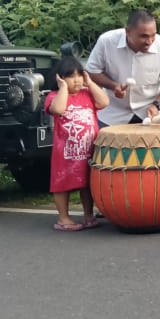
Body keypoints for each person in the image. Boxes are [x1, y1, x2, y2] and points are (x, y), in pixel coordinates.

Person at [86, 10, 160, 127]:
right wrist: (114, 86)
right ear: (128, 31)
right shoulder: (106, 41)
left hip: (150, 113)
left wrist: (156, 103)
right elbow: (92, 71)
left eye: (153, 35)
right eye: (144, 36)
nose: (149, 41)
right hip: (112, 113)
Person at [44, 56, 110, 231]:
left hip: (88, 150)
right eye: (71, 76)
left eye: (79, 75)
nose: (76, 80)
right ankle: (63, 218)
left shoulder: (87, 94)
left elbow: (104, 101)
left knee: (87, 184)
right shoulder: (54, 96)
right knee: (62, 184)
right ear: (59, 78)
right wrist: (63, 89)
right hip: (66, 152)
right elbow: (58, 109)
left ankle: (89, 215)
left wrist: (90, 83)